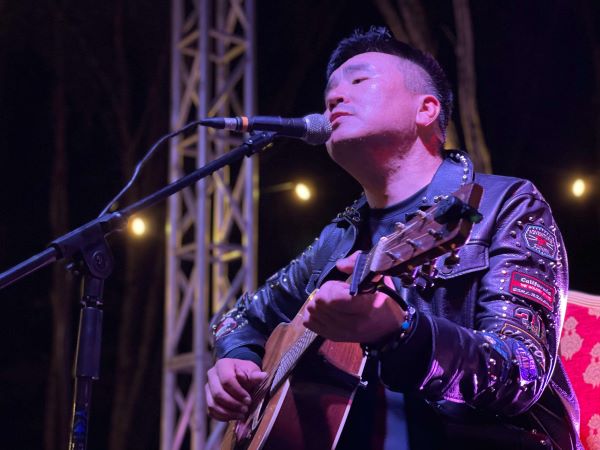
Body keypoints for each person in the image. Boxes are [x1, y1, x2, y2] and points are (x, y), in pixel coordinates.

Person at [206, 27, 582, 449]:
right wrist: (236, 359)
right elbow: (237, 319)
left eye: (359, 80)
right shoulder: (337, 239)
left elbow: (521, 371)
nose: (334, 98)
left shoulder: (503, 204)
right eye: (329, 91)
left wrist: (403, 332)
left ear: (426, 110)